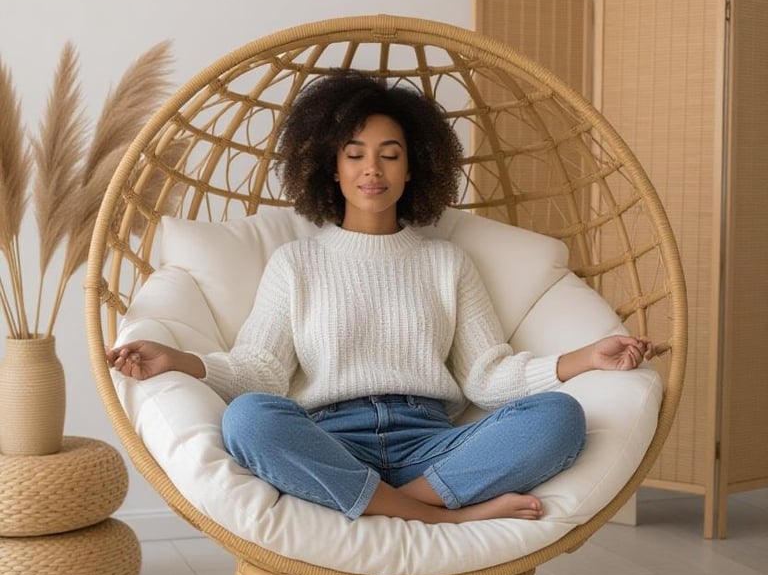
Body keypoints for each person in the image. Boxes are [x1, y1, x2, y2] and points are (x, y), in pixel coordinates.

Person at [107, 70, 653, 525]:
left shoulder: (447, 263)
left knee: (559, 418)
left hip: (431, 447)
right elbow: (260, 372)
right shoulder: (296, 263)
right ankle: (443, 516)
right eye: (355, 154)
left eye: (390, 155)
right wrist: (178, 360)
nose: (372, 169)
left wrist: (586, 357)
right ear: (332, 168)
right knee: (249, 420)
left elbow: (488, 376)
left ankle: (396, 503)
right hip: (330, 441)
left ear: (413, 169)